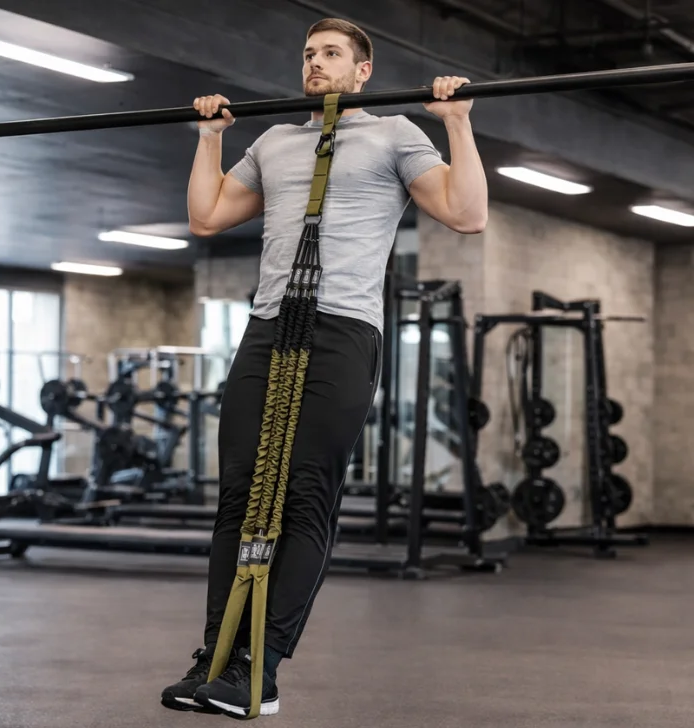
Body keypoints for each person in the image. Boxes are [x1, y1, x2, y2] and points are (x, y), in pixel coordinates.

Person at [161, 17, 488, 718]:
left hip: (343, 330)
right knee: (239, 494)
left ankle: (261, 669)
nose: (315, 64)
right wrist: (211, 140)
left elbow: (467, 214)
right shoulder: (276, 141)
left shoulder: (398, 133)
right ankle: (216, 656)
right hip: (268, 324)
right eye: (309, 54)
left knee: (306, 494)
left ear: (362, 71)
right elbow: (208, 216)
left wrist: (457, 124)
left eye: (331, 54)